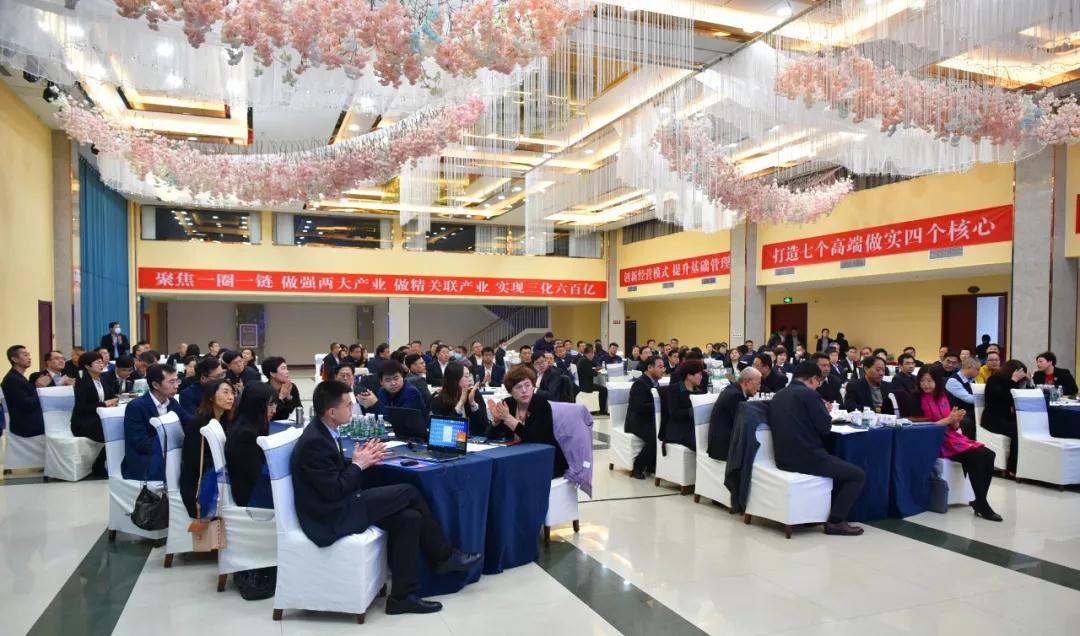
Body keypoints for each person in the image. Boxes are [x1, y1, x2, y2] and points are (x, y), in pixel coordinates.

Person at [293, 381, 480, 614]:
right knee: (409, 492)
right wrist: (358, 465)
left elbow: (334, 480)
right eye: (348, 405)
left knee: (410, 517)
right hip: (329, 516)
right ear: (332, 412)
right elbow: (333, 491)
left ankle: (402, 597)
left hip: (340, 504)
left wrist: (362, 461)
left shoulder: (324, 430)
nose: (352, 408)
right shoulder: (315, 442)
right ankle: (443, 556)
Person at [770, 362, 866, 536]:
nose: (817, 386)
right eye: (818, 383)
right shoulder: (809, 395)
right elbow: (824, 427)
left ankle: (816, 515)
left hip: (782, 457)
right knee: (857, 475)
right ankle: (835, 522)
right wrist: (824, 410)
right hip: (807, 457)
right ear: (814, 379)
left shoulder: (779, 395)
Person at [911, 367, 1002, 521]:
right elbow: (922, 427)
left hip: (950, 436)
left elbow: (953, 426)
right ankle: (982, 504)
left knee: (989, 454)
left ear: (937, 382)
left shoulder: (943, 396)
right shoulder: (916, 399)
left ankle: (980, 500)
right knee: (977, 456)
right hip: (933, 440)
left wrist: (956, 420)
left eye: (929, 381)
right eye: (922, 381)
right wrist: (949, 420)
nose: (926, 384)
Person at [487, 365, 567, 478]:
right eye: (518, 387)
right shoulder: (508, 403)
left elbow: (536, 438)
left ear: (533, 386)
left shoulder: (541, 404)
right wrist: (496, 422)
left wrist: (509, 419)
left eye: (527, 385)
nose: (524, 391)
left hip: (545, 460)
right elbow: (491, 437)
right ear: (510, 391)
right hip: (516, 457)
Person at [121, 364, 190, 482]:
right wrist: (173, 443)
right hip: (145, 459)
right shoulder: (136, 407)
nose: (176, 386)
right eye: (171, 382)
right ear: (155, 385)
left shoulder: (172, 402)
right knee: (187, 470)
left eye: (177, 381)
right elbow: (140, 443)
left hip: (169, 453)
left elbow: (189, 422)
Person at [179, 378, 236, 518]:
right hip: (200, 481)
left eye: (232, 393)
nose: (231, 397)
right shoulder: (199, 423)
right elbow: (193, 460)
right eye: (225, 392)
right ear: (211, 397)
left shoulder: (225, 420)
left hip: (217, 473)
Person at [224, 382, 276, 509]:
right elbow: (256, 474)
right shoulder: (245, 435)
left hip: (254, 485)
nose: (274, 410)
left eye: (274, 404)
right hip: (251, 495)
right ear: (257, 405)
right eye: (270, 405)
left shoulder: (249, 424)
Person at [982, 360, 1030, 475]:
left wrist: (1027, 383)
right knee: (1017, 430)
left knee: (1026, 427)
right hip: (993, 418)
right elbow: (1004, 397)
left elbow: (1023, 400)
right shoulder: (994, 380)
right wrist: (1013, 380)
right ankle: (1013, 468)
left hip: (1007, 418)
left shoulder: (1015, 383)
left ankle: (1027, 465)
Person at [708, 367, 761, 462]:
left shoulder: (733, 389)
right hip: (724, 447)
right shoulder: (735, 396)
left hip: (725, 440)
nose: (759, 388)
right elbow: (743, 424)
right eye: (758, 384)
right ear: (747, 382)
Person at [626, 356, 664, 479]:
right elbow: (639, 407)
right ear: (650, 367)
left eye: (663, 367)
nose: (663, 370)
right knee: (655, 436)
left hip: (650, 419)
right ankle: (638, 467)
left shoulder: (656, 383)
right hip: (637, 421)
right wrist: (659, 404)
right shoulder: (640, 383)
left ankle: (652, 466)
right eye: (660, 367)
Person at [430, 362, 489, 436]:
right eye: (466, 376)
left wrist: (473, 404)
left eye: (470, 375)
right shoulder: (439, 400)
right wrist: (460, 404)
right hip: (452, 440)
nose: (470, 379)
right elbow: (445, 431)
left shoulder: (473, 393)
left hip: (475, 439)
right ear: (454, 380)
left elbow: (484, 424)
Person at [70, 350, 118, 441]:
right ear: (87, 366)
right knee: (112, 430)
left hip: (101, 417)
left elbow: (111, 397)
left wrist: (113, 402)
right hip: (85, 422)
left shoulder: (103, 378)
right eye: (98, 362)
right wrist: (104, 404)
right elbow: (81, 408)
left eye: (102, 362)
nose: (101, 365)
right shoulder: (82, 382)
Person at [2, 345, 47, 437]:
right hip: (26, 427)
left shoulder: (19, 377)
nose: (29, 358)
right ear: (14, 359)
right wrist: (39, 388)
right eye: (25, 355)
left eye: (29, 355)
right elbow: (27, 404)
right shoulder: (12, 379)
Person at [661, 359, 704, 450]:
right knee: (701, 446)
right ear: (689, 376)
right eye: (699, 374)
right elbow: (674, 413)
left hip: (694, 427)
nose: (701, 377)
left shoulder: (699, 391)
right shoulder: (674, 389)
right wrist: (694, 411)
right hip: (679, 429)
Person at [358, 361, 426, 415]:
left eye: (396, 379)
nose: (393, 383)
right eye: (388, 380)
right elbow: (379, 416)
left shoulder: (412, 393)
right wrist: (367, 405)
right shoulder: (382, 391)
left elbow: (398, 418)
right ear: (381, 382)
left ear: (402, 377)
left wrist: (375, 403)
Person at [945, 357, 980, 438]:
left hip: (971, 411)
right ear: (970, 367)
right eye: (977, 369)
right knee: (968, 422)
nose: (979, 371)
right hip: (958, 413)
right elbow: (969, 399)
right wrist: (986, 398)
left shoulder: (972, 380)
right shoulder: (953, 381)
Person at [263, 357, 301, 421]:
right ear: (273, 374)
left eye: (286, 368)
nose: (287, 371)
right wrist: (280, 398)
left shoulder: (291, 387)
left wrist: (289, 398)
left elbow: (299, 411)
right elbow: (268, 416)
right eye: (283, 368)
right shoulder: (264, 390)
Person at [575, 345, 608, 416]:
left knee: (601, 388)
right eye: (593, 353)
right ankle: (602, 410)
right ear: (589, 353)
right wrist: (597, 371)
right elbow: (591, 373)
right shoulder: (584, 361)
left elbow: (592, 367)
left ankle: (598, 409)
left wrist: (596, 369)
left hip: (584, 383)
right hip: (586, 386)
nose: (593, 355)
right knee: (603, 390)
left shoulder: (583, 359)